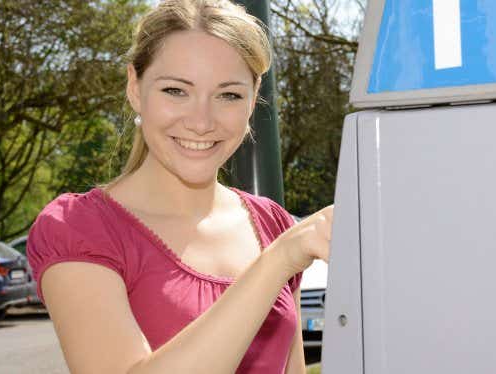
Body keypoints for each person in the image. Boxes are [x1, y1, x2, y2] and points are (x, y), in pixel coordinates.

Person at [25, 1, 333, 373]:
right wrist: (276, 263)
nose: (201, 121)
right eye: (176, 90)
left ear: (252, 101)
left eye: (229, 95)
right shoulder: (78, 229)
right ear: (135, 88)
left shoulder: (273, 224)